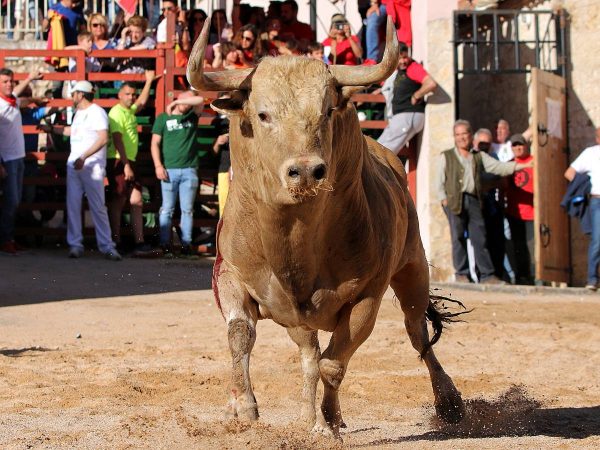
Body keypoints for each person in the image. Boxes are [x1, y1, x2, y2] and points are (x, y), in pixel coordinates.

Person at [437, 120, 533, 284]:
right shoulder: (446, 156)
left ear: (470, 135)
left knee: (479, 238)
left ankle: (487, 275)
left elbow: (498, 167)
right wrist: (443, 199)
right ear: (454, 137)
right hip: (454, 200)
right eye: (458, 134)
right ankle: (462, 274)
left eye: (464, 134)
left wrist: (520, 166)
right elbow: (440, 180)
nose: (461, 138)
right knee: (458, 238)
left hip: (474, 200)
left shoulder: (478, 156)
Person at [39, 81, 121, 261]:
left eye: (74, 93)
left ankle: (106, 245)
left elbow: (103, 139)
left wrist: (83, 157)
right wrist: (53, 129)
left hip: (90, 165)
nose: (72, 96)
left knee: (97, 206)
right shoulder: (80, 113)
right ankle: (76, 244)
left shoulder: (97, 112)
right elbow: (73, 132)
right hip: (76, 164)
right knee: (74, 205)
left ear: (81, 95)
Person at [107, 70, 156, 256]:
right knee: (119, 200)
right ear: (119, 95)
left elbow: (142, 102)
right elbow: (117, 139)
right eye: (127, 94)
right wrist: (126, 164)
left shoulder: (129, 110)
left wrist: (149, 81)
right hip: (120, 160)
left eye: (132, 94)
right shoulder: (116, 112)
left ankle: (139, 241)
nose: (131, 97)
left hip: (130, 161)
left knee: (136, 200)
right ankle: (116, 241)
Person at [150, 90, 204, 254]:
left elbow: (201, 99)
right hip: (169, 170)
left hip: (189, 170)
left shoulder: (192, 116)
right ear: (178, 98)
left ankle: (186, 245)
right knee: (167, 209)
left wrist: (175, 103)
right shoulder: (163, 118)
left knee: (187, 209)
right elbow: (154, 144)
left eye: (189, 102)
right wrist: (158, 166)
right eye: (184, 101)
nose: (187, 104)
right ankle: (165, 244)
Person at [0, 68, 41, 255]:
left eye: (11, 81)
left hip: (17, 157)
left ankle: (9, 238)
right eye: (5, 81)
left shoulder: (12, 100)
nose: (9, 84)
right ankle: (6, 239)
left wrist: (30, 77)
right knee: (12, 200)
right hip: (7, 159)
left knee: (14, 201)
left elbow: (18, 94)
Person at [377, 41, 437, 155]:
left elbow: (431, 84)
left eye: (405, 57)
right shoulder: (400, 71)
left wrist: (417, 95)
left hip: (408, 115)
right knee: (379, 147)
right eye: (400, 58)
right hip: (400, 118)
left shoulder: (413, 67)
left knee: (383, 152)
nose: (403, 61)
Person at [564, 127, 600, 291]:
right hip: (597, 200)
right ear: (597, 138)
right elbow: (569, 173)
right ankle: (592, 279)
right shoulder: (591, 153)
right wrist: (583, 185)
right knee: (598, 240)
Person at [473, 127, 505, 279]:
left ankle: (497, 273)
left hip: (492, 204)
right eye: (482, 143)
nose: (485, 146)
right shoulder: (473, 157)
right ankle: (481, 274)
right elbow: (477, 181)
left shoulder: (493, 157)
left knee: (497, 240)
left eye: (488, 143)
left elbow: (500, 179)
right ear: (476, 143)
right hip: (476, 204)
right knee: (479, 240)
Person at [505, 134, 535, 284]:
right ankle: (521, 276)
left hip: (533, 212)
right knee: (518, 245)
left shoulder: (534, 162)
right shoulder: (509, 164)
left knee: (532, 246)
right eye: (515, 145)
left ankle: (535, 275)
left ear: (525, 146)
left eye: (520, 145)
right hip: (514, 212)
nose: (518, 148)